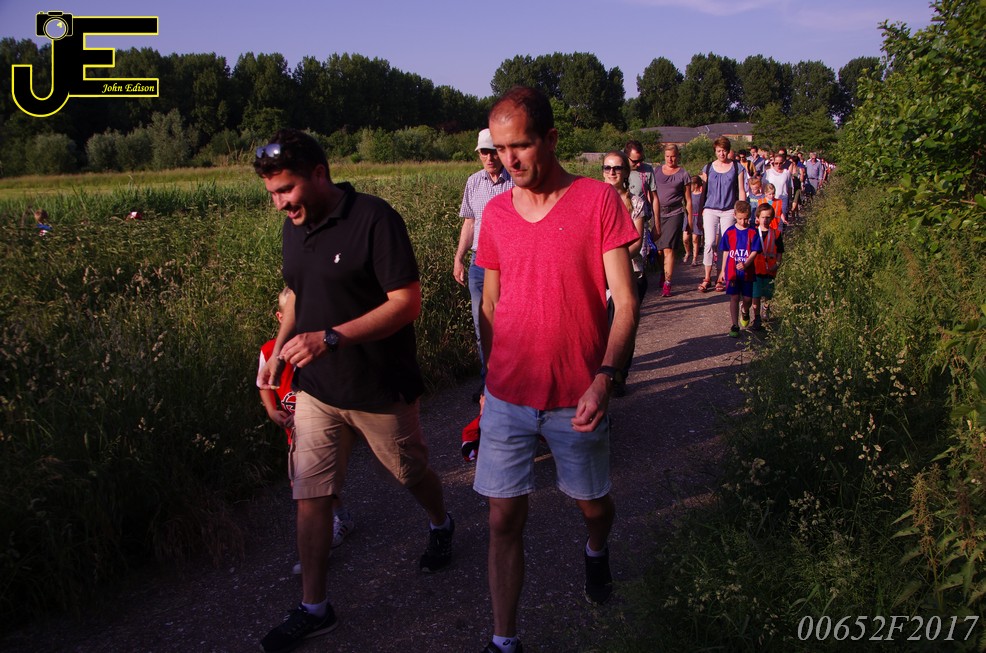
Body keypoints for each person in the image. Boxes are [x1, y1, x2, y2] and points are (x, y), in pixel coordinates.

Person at [253, 129, 454, 653]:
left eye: (286, 189)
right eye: (272, 193)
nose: (280, 204)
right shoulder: (294, 228)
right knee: (311, 495)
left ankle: (441, 521)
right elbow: (297, 292)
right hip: (318, 391)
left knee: (410, 472)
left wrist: (331, 337)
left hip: (378, 386)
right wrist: (280, 351)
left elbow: (407, 303)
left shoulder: (374, 219)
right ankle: (315, 608)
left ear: (319, 174)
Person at [475, 86, 640, 653]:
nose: (509, 160)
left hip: (578, 395)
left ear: (550, 139)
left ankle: (596, 549)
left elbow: (625, 301)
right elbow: (490, 303)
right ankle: (504, 640)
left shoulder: (598, 201)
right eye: (500, 149)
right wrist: (487, 382)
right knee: (502, 521)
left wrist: (605, 378)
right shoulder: (496, 212)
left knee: (593, 506)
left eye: (520, 146)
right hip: (507, 395)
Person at [258, 287, 356, 576]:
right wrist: (271, 411)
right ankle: (336, 525)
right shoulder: (269, 350)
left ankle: (324, 542)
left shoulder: (317, 346)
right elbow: (263, 383)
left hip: (320, 425)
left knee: (315, 488)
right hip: (293, 430)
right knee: (308, 490)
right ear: (281, 317)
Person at [453, 128, 514, 396]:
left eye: (493, 152)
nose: (489, 158)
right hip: (479, 263)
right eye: (484, 153)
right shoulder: (473, 182)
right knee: (483, 325)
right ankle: (489, 380)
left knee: (510, 324)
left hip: (510, 263)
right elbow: (470, 222)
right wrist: (459, 258)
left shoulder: (515, 181)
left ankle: (513, 378)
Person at [601, 149, 646, 396]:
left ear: (626, 172)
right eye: (607, 168)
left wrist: (612, 262)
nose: (612, 172)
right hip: (599, 273)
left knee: (623, 324)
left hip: (630, 271)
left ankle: (619, 374)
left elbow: (636, 242)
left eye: (617, 168)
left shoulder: (636, 202)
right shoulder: (595, 200)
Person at [698, 136, 746, 293]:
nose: (721, 154)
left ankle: (721, 276)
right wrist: (700, 211)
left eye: (724, 151)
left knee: (724, 244)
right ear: (715, 151)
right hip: (710, 208)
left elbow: (741, 190)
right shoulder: (708, 168)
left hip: (729, 210)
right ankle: (707, 277)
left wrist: (742, 211)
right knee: (709, 242)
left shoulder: (737, 167)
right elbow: (703, 192)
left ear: (728, 151)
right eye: (719, 151)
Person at [716, 200, 761, 338]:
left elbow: (755, 250)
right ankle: (735, 325)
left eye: (746, 218)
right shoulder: (730, 232)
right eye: (740, 218)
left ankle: (745, 311)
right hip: (732, 271)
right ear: (735, 215)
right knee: (734, 297)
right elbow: (726, 251)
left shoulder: (753, 232)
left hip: (747, 272)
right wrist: (722, 271)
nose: (743, 222)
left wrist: (746, 263)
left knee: (747, 299)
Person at [654, 144, 692, 296]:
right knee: (658, 250)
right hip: (658, 213)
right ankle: (663, 273)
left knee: (668, 248)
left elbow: (688, 200)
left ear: (678, 156)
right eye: (667, 156)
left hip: (675, 213)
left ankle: (667, 283)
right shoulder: (656, 171)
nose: (670, 159)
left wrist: (690, 221)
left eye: (673, 156)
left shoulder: (683, 174)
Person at [751, 203, 784, 331]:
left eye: (768, 217)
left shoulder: (776, 234)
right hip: (756, 269)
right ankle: (757, 317)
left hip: (770, 270)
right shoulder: (753, 233)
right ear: (757, 218)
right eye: (763, 217)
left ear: (772, 218)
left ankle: (766, 308)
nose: (765, 220)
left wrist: (777, 264)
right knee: (756, 295)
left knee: (768, 294)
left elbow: (779, 252)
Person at [763, 153, 793, 224]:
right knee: (770, 219)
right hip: (770, 199)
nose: (778, 165)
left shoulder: (787, 173)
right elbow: (763, 186)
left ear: (784, 162)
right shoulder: (768, 172)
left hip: (782, 199)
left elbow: (790, 187)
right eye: (776, 163)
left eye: (780, 163)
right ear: (773, 162)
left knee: (781, 221)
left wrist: (790, 200)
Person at [684, 176, 704, 266]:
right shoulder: (688, 195)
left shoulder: (701, 195)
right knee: (685, 239)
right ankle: (688, 252)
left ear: (695, 185)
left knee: (695, 239)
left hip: (697, 217)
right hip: (688, 217)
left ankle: (694, 259)